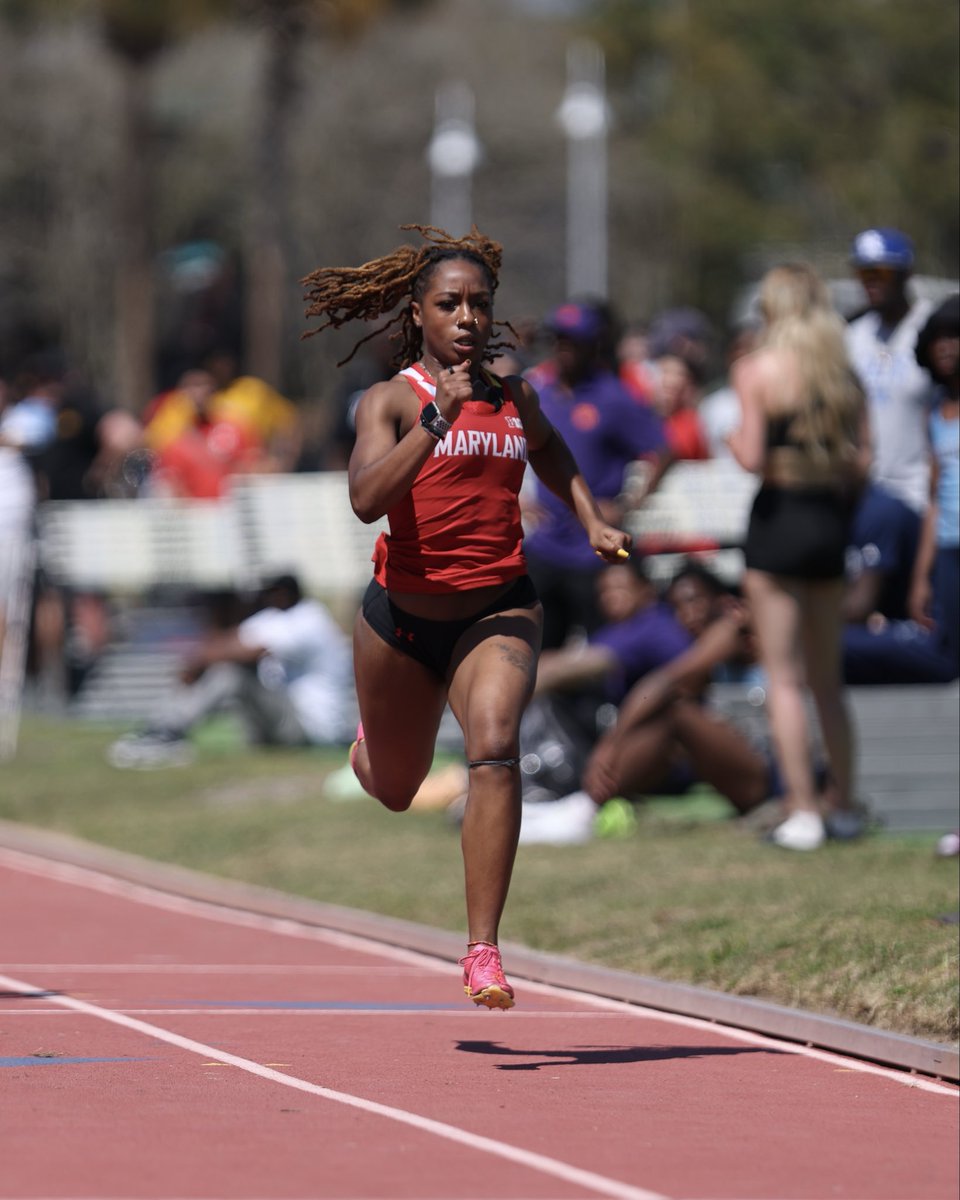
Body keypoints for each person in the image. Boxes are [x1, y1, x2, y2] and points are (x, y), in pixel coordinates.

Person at [299, 224, 631, 1009]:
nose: (467, 319)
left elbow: (550, 452)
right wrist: (437, 422)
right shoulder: (388, 403)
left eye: (479, 304)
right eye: (449, 304)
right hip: (402, 625)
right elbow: (365, 501)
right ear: (418, 314)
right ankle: (369, 750)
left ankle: (483, 951)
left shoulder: (516, 394)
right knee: (393, 785)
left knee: (494, 747)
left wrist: (589, 518)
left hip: (499, 607)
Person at [728, 262, 871, 851]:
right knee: (827, 681)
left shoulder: (756, 370)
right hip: (827, 521)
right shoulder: (842, 375)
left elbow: (752, 455)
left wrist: (731, 441)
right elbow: (863, 460)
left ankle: (803, 811)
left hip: (777, 521)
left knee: (783, 679)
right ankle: (842, 805)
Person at [521, 300, 668, 650]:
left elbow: (664, 449)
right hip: (545, 544)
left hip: (593, 551)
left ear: (593, 343)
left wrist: (629, 503)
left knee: (602, 649)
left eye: (574, 340)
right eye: (559, 339)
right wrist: (515, 497)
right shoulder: (538, 391)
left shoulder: (614, 396)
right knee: (534, 646)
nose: (564, 348)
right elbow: (505, 447)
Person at [515, 556, 693, 844]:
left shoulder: (651, 625)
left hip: (669, 755)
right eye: (605, 590)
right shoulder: (618, 629)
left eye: (620, 587)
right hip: (634, 741)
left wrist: (504, 690)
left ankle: (580, 810)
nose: (610, 596)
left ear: (646, 590)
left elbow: (580, 666)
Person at [107, 573, 352, 768]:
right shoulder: (275, 617)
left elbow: (249, 650)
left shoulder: (310, 618)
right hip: (284, 723)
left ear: (282, 593)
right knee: (228, 667)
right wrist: (201, 655)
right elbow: (231, 640)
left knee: (232, 673)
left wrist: (200, 659)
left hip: (311, 728)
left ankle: (169, 731)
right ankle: (161, 727)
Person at [844, 227, 934, 515]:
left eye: (880, 273)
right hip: (868, 494)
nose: (870, 282)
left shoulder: (933, 330)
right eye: (863, 273)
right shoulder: (852, 336)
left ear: (905, 274)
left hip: (922, 497)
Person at [909, 294, 960, 680]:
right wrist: (921, 576)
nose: (945, 346)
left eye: (954, 336)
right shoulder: (935, 412)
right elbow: (934, 500)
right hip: (947, 547)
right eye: (937, 338)